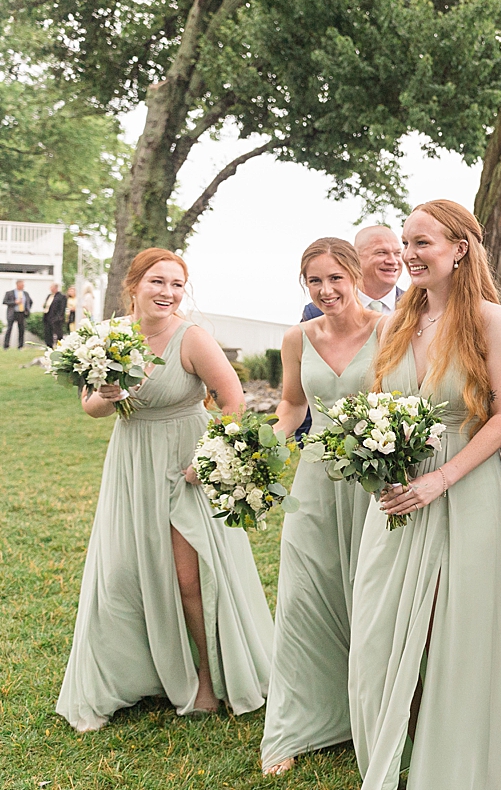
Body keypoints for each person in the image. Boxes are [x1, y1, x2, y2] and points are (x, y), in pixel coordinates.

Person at [56, 248, 274, 731]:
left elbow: (233, 399)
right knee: (122, 572)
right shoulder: (109, 338)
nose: (168, 293)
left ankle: (204, 680)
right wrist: (104, 397)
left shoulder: (191, 338)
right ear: (133, 286)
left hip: (184, 461)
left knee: (189, 577)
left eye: (177, 284)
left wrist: (210, 455)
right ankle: (129, 675)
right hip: (132, 459)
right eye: (158, 282)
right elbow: (90, 407)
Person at [348, 200, 501, 789]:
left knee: (449, 629)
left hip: (462, 487)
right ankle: (396, 745)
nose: (409, 254)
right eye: (405, 242)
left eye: (422, 242)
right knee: (380, 626)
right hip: (398, 492)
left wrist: (442, 479)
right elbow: (379, 404)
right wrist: (376, 453)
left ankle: (445, 762)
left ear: (459, 249)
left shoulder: (490, 320)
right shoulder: (396, 319)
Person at [260, 238, 381, 776]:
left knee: (373, 597)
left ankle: (380, 713)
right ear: (304, 285)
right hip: (314, 479)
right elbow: (291, 405)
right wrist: (256, 447)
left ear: (355, 275)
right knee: (304, 597)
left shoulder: (389, 329)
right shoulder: (296, 337)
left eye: (336, 278)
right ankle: (296, 725)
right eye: (315, 281)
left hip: (375, 477)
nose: (326, 290)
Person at [297, 225, 403, 437]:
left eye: (398, 253)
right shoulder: (312, 314)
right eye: (381, 253)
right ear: (358, 262)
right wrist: (305, 438)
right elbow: (306, 388)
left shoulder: (416, 309)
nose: (392, 260)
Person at [4, 279, 32, 348]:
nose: (23, 286)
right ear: (17, 285)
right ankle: (6, 345)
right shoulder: (9, 293)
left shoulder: (25, 293)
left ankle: (20, 346)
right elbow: (5, 301)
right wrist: (14, 302)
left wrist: (27, 309)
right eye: (22, 285)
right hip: (13, 313)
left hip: (21, 313)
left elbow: (30, 302)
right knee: (9, 329)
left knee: (21, 330)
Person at [44, 281, 68, 346]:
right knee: (48, 332)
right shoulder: (49, 296)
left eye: (52, 287)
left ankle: (60, 345)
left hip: (56, 317)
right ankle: (49, 345)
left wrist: (59, 317)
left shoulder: (61, 296)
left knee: (58, 332)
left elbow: (62, 308)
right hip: (48, 316)